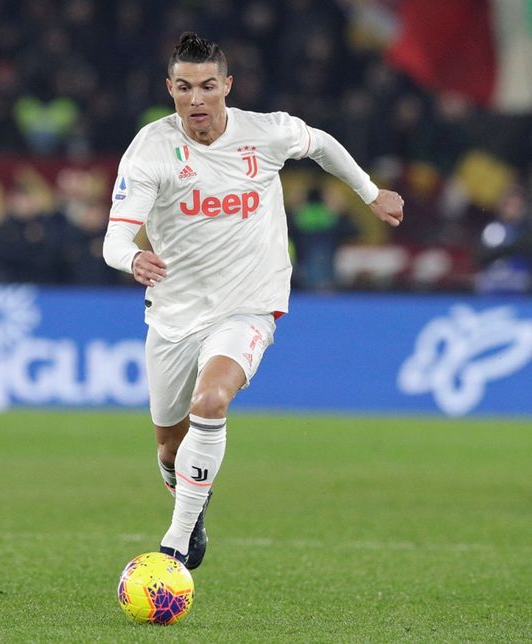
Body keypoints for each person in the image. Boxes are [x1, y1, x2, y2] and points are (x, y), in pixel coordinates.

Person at [102, 33, 404, 569]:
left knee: (211, 402)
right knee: (170, 447)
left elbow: (322, 144)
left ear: (227, 86)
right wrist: (131, 259)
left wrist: (370, 192)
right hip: (174, 313)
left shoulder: (264, 133)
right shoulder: (150, 149)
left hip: (249, 302)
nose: (196, 99)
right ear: (169, 89)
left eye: (208, 86)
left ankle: (173, 548)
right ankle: (190, 495)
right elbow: (114, 239)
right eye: (184, 87)